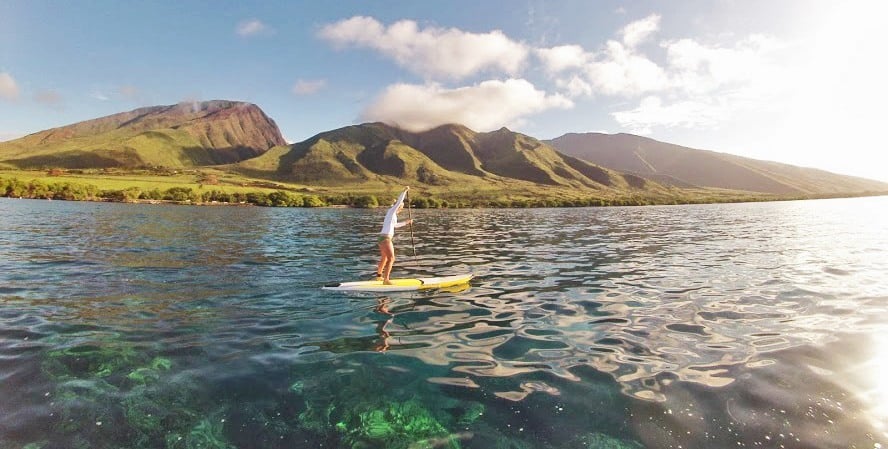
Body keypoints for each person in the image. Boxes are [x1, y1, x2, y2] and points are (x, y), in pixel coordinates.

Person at [376, 187, 413, 284]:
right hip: (385, 238)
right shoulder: (392, 210)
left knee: (384, 258)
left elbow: (395, 225)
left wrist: (406, 222)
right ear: (398, 206)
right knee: (391, 258)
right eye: (401, 207)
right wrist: (404, 191)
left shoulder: (392, 215)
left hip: (382, 238)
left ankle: (379, 276)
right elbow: (399, 201)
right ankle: (386, 280)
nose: (401, 209)